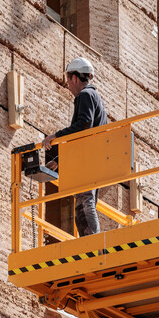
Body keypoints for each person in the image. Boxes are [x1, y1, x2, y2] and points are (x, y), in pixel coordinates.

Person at [42, 57, 107, 236]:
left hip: (88, 160)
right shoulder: (96, 98)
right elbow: (83, 138)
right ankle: (89, 241)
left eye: (68, 81)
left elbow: (83, 125)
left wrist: (56, 136)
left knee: (85, 202)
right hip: (94, 157)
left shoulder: (85, 95)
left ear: (75, 78)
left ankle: (92, 242)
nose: (68, 86)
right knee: (85, 202)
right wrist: (58, 160)